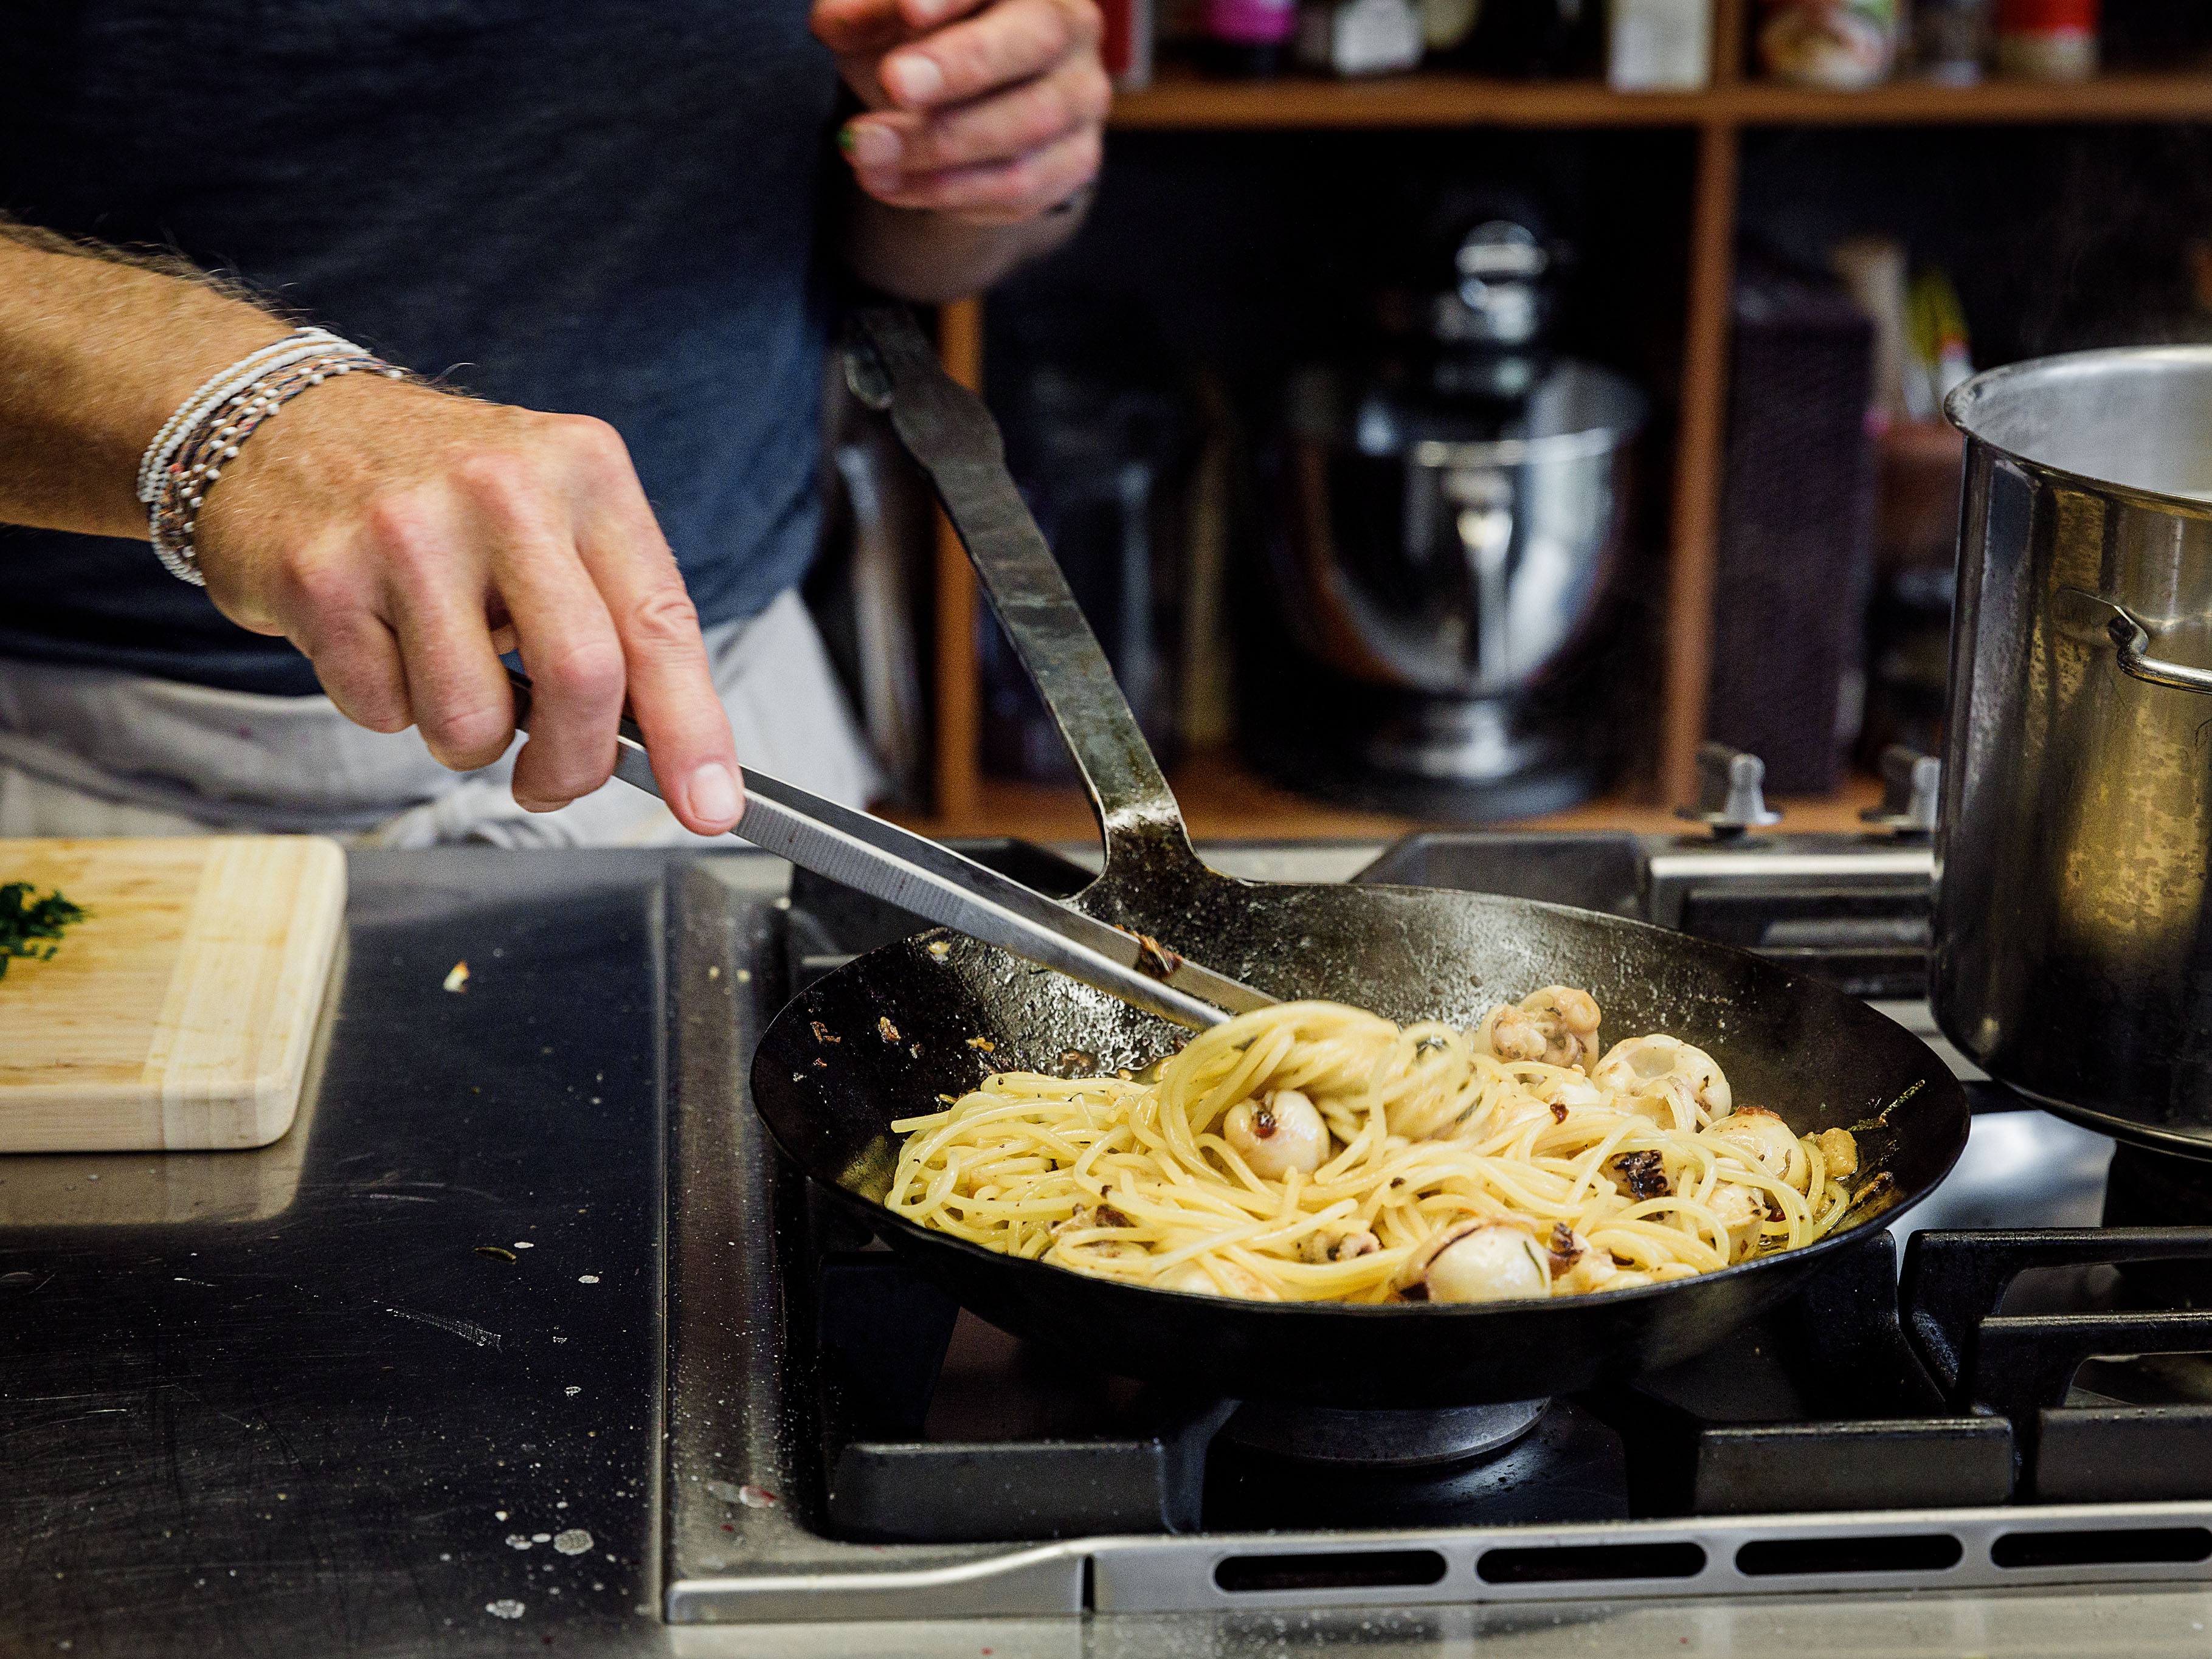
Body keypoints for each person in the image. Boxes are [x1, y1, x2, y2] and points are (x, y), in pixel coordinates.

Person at [0, 0, 1105, 843]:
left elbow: (915, 241)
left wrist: (989, 155)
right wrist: (227, 415)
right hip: (79, 783)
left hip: (710, 757)